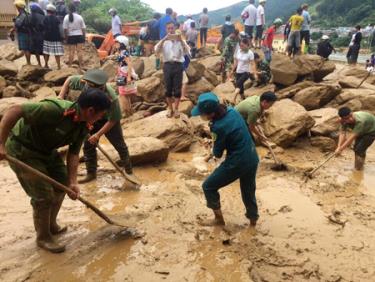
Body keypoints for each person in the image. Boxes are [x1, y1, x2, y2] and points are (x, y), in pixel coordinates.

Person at [0, 89, 111, 253]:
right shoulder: (54, 110)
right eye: (101, 114)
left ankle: (50, 224)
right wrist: (0, 143)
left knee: (62, 184)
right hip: (22, 149)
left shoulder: (83, 126)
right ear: (91, 111)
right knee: (43, 196)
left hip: (46, 152)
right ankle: (43, 237)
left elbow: (73, 154)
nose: (102, 118)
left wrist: (72, 182)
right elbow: (14, 110)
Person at [191, 92, 260, 227]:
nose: (201, 116)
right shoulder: (231, 111)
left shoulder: (217, 126)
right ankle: (253, 219)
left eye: (202, 114)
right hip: (252, 156)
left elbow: (217, 153)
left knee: (208, 186)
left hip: (238, 161)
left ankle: (218, 220)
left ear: (210, 114)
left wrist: (211, 145)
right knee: (248, 190)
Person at [58, 69, 136, 184]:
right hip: (91, 116)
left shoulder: (111, 97)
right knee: (88, 144)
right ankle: (91, 173)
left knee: (119, 144)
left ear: (101, 88)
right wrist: (61, 95)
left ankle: (129, 171)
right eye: (89, 87)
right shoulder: (85, 82)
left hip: (107, 120)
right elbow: (69, 80)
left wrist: (98, 135)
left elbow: (114, 119)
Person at [155, 21, 190, 118]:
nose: (170, 30)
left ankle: (176, 109)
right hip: (167, 65)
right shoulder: (164, 41)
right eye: (168, 28)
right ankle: (170, 109)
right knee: (168, 89)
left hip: (178, 65)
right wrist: (164, 39)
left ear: (175, 28)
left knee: (177, 89)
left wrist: (181, 40)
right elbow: (156, 50)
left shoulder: (180, 40)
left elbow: (187, 51)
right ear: (166, 29)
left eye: (172, 28)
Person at [115, 36, 138, 117]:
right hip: (122, 73)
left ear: (122, 44)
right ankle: (129, 111)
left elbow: (129, 64)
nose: (116, 44)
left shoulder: (124, 52)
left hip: (124, 74)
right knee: (125, 94)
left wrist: (128, 76)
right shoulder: (122, 52)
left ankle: (127, 113)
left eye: (117, 42)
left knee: (122, 94)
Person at [231, 38, 258, 102]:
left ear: (247, 45)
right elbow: (236, 62)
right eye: (240, 45)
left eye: (242, 45)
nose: (241, 47)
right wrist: (232, 70)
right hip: (238, 71)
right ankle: (243, 98)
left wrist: (255, 73)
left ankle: (233, 99)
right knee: (241, 86)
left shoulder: (250, 53)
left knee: (238, 83)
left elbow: (252, 63)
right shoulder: (239, 51)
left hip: (246, 72)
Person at [63, 4, 86, 68]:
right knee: (79, 51)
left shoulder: (66, 17)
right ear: (75, 9)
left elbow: (65, 29)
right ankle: (81, 65)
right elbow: (83, 28)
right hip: (79, 35)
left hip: (71, 36)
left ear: (69, 9)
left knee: (71, 52)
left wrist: (66, 38)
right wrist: (84, 37)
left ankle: (70, 66)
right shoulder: (80, 17)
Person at [43, 4, 64, 69]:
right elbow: (60, 29)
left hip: (47, 37)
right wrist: (62, 37)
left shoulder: (45, 18)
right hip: (56, 38)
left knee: (46, 52)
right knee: (57, 53)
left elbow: (42, 28)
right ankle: (58, 66)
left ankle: (46, 65)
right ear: (54, 11)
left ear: (47, 11)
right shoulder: (57, 19)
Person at [11, 0, 32, 65]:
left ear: (18, 6)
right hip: (26, 33)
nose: (16, 7)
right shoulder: (26, 13)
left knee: (26, 49)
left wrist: (12, 30)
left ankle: (28, 63)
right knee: (26, 49)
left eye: (16, 6)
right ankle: (28, 62)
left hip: (23, 33)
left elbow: (18, 24)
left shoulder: (22, 15)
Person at [29, 2, 45, 67]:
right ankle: (46, 64)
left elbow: (27, 26)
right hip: (41, 35)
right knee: (44, 50)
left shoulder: (29, 16)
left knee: (36, 51)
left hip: (33, 36)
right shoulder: (42, 16)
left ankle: (39, 63)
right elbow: (45, 26)